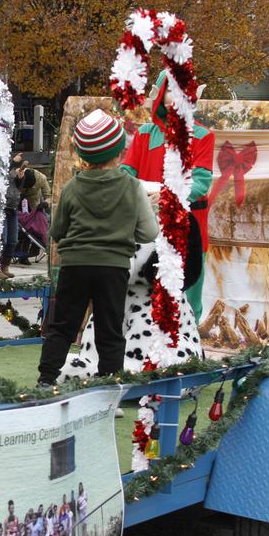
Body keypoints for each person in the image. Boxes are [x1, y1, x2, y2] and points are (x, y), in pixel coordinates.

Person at [37, 109, 160, 386]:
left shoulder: (72, 187)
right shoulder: (132, 187)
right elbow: (149, 232)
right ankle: (108, 389)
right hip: (113, 267)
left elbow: (56, 232)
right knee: (110, 329)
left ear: (84, 154)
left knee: (63, 326)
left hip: (74, 266)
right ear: (119, 151)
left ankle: (45, 381)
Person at [120, 72, 215, 322]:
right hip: (146, 225)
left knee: (188, 286)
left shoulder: (203, 136)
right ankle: (140, 342)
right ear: (161, 95)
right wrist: (138, 191)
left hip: (188, 225)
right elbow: (128, 171)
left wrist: (168, 197)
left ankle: (188, 343)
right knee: (143, 285)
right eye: (172, 90)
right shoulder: (145, 134)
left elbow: (202, 181)